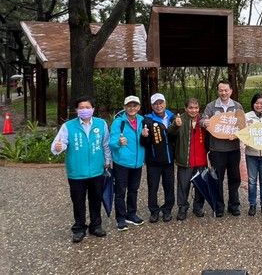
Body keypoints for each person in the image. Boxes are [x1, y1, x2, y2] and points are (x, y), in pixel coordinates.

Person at [51, 96, 111, 243]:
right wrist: (58, 147)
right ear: (76, 110)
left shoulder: (101, 124)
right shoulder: (68, 126)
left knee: (96, 199)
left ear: (93, 109)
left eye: (87, 107)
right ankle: (79, 228)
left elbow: (106, 144)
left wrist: (108, 161)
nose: (84, 110)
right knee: (78, 201)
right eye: (81, 107)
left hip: (97, 170)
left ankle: (96, 226)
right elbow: (58, 144)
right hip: (76, 172)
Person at [202, 80, 244, 217]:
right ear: (217, 91)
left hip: (233, 149)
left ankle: (234, 205)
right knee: (217, 179)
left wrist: (237, 134)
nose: (224, 93)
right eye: (221, 90)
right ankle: (219, 206)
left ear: (231, 91)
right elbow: (203, 120)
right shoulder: (211, 106)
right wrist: (204, 122)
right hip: (216, 150)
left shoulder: (237, 107)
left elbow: (243, 127)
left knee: (235, 178)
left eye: (226, 90)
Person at [109, 96, 146, 231]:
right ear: (125, 107)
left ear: (139, 107)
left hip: (137, 162)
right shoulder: (119, 122)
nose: (132, 108)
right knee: (120, 191)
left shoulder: (142, 120)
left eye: (134, 105)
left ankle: (131, 214)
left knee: (133, 190)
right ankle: (120, 218)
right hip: (122, 162)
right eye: (129, 106)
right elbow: (111, 143)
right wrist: (119, 143)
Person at [169, 98, 208, 221]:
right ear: (186, 108)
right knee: (183, 186)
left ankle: (198, 207)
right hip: (185, 159)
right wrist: (176, 125)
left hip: (201, 159)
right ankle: (182, 208)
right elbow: (169, 133)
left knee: (201, 185)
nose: (193, 110)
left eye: (196, 108)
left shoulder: (202, 120)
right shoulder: (180, 119)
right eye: (191, 108)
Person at [141, 93, 176, 223]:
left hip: (169, 160)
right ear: (152, 106)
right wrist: (144, 136)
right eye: (155, 103)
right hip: (153, 161)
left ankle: (167, 210)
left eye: (161, 103)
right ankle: (154, 211)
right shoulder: (147, 120)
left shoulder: (173, 118)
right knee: (153, 187)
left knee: (169, 186)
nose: (158, 106)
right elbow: (144, 143)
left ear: (165, 103)